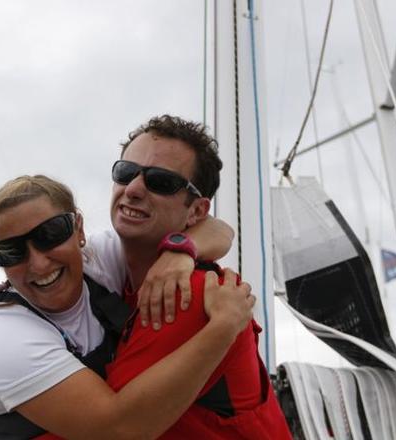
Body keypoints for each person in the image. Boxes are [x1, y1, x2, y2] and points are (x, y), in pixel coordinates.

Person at [0, 174, 254, 439]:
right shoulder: (2, 339)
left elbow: (218, 229)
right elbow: (118, 431)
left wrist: (179, 253)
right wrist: (224, 327)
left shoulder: (99, 260)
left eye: (50, 234)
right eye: (11, 252)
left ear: (78, 229)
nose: (39, 263)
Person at [105, 115, 291, 438]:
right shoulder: (112, 275)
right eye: (125, 173)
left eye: (161, 182)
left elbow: (110, 429)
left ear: (197, 211)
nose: (133, 189)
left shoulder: (191, 295)